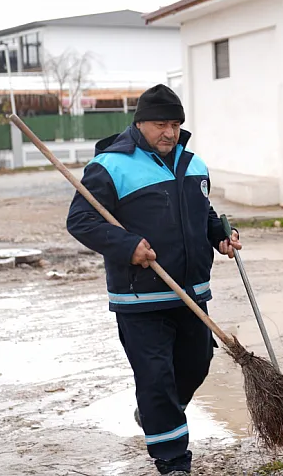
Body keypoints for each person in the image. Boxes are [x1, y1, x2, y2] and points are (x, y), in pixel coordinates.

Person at [66, 84, 242, 475]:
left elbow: (203, 213)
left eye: (176, 124)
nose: (170, 132)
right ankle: (173, 461)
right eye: (161, 124)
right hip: (140, 298)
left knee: (197, 366)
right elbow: (80, 220)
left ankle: (154, 413)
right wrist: (127, 246)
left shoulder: (194, 164)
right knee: (156, 378)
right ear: (140, 123)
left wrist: (219, 235)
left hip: (192, 293)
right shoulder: (110, 166)